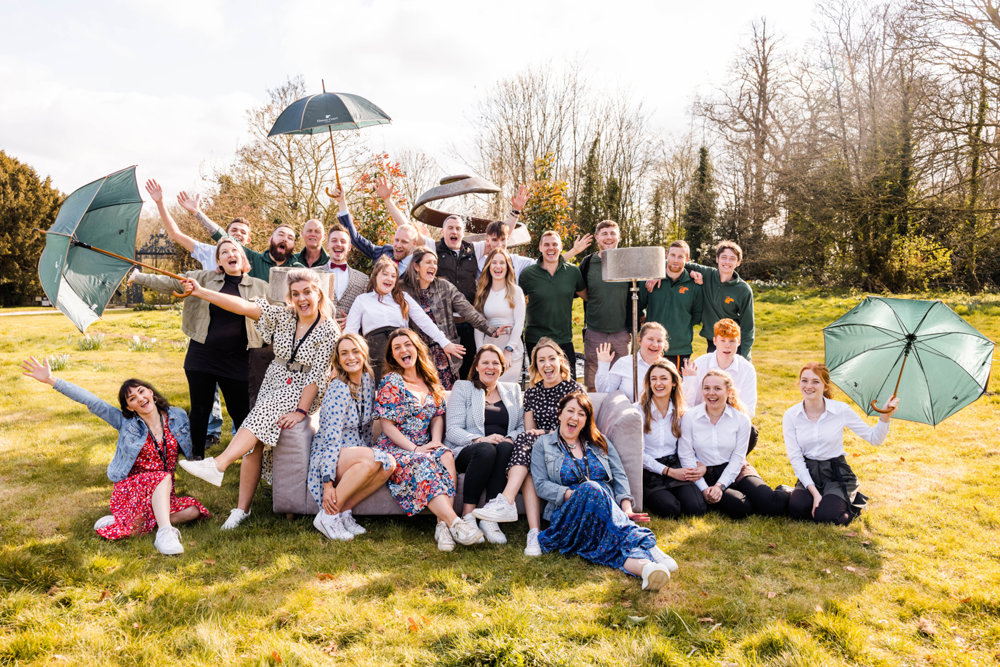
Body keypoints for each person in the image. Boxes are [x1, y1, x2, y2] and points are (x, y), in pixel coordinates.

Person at [176, 269, 340, 530]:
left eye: (307, 292)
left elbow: (317, 376)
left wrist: (300, 411)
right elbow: (242, 306)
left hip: (303, 387)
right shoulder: (284, 315)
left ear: (318, 293)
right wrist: (201, 291)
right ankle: (242, 509)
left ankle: (219, 464)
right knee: (254, 443)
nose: (302, 299)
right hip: (275, 380)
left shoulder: (329, 330)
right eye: (296, 294)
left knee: (259, 418)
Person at [21, 358, 209, 554]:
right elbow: (91, 401)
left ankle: (128, 520)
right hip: (133, 488)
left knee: (193, 511)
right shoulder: (125, 422)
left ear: (151, 392)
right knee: (163, 477)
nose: (140, 398)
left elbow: (194, 437)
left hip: (163, 490)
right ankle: (164, 533)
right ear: (129, 407)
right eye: (132, 398)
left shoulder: (176, 416)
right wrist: (51, 380)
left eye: (141, 391)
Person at [129, 238, 268, 459]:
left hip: (238, 359)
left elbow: (278, 313)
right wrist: (138, 277)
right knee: (200, 409)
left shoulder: (261, 287)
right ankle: (196, 457)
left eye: (234, 250)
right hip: (203, 355)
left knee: (240, 411)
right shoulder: (203, 279)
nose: (230, 254)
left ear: (243, 258)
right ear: (219, 261)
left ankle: (248, 457)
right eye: (224, 252)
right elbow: (170, 282)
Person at [531, 392, 676, 590]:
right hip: (569, 511)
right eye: (570, 411)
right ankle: (647, 544)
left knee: (606, 541)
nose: (575, 417)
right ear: (560, 414)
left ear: (586, 420)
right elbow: (540, 484)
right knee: (591, 488)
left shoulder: (600, 441)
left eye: (581, 414)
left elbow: (619, 475)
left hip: (606, 511)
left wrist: (626, 508)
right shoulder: (543, 445)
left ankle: (646, 569)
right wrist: (575, 494)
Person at [145, 178, 250, 442]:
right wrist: (160, 202)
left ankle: (240, 437)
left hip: (237, 337)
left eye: (242, 233)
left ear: (247, 241)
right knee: (205, 391)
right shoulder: (207, 251)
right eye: (233, 231)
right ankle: (210, 433)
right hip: (206, 331)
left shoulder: (247, 263)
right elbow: (175, 235)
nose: (237, 235)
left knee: (237, 392)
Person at [372, 328, 483, 550]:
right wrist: (414, 449)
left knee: (446, 455)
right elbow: (387, 425)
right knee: (424, 461)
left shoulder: (430, 380)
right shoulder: (392, 381)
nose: (403, 350)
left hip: (424, 444)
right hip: (397, 447)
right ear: (392, 355)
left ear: (417, 348)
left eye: (407, 345)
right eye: (397, 348)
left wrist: (436, 442)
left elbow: (437, 416)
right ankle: (456, 523)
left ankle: (442, 527)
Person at [446, 346, 543, 554]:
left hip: (501, 451)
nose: (490, 367)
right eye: (485, 363)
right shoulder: (463, 387)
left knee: (506, 447)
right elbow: (452, 429)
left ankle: (490, 518)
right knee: (487, 449)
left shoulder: (513, 390)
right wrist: (480, 439)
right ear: (476, 366)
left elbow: (520, 427)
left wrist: (509, 438)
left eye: (495, 363)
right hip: (468, 450)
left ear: (502, 367)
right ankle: (468, 515)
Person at [784, 363, 899, 525]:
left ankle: (855, 503)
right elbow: (795, 458)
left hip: (836, 473)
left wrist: (885, 417)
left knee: (825, 517)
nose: (808, 386)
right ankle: (819, 497)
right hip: (810, 471)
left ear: (825, 386)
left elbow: (874, 438)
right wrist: (815, 493)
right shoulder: (791, 415)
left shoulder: (840, 410)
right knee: (798, 510)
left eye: (815, 381)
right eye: (804, 380)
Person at [309, 334, 397, 540]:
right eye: (344, 353)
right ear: (338, 359)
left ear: (364, 353)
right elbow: (331, 439)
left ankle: (343, 513)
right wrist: (327, 483)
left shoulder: (368, 378)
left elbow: (366, 427)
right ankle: (327, 517)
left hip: (354, 450)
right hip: (330, 456)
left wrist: (368, 450)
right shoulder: (338, 389)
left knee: (389, 465)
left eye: (355, 351)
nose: (350, 357)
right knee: (372, 459)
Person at [677, 370, 788, 519]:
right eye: (706, 388)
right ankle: (734, 496)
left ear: (728, 392)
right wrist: (704, 488)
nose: (711, 393)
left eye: (717, 388)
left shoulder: (741, 419)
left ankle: (787, 490)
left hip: (736, 469)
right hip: (705, 472)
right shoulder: (690, 417)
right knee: (741, 507)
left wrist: (720, 486)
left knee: (771, 505)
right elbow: (686, 455)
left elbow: (738, 457)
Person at [400, 246, 507, 389]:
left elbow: (467, 310)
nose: (433, 266)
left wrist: (490, 329)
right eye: (428, 262)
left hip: (446, 353)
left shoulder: (444, 287)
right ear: (416, 266)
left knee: (449, 395)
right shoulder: (402, 289)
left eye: (435, 263)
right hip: (420, 354)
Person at [344, 256, 462, 381]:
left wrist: (445, 342)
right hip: (375, 354)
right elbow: (351, 330)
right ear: (375, 276)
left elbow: (424, 321)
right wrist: (342, 359)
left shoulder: (403, 298)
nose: (389, 278)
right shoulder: (362, 300)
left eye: (393, 276)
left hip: (402, 352)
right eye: (385, 274)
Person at [177, 190, 304, 281]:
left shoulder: (299, 266)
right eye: (281, 234)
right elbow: (222, 236)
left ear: (294, 244)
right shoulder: (254, 259)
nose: (285, 239)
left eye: (290, 238)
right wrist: (197, 212)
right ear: (270, 239)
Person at [636, 359, 707, 518]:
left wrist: (700, 465)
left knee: (696, 508)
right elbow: (638, 455)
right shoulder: (637, 411)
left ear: (674, 382)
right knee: (670, 509)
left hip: (675, 463)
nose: (658, 383)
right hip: (649, 469)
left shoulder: (681, 412)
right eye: (653, 379)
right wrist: (669, 472)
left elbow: (688, 447)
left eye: (663, 378)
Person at [330, 179, 432, 274]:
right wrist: (341, 201)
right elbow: (355, 238)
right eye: (396, 240)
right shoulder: (385, 252)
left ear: (414, 244)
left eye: (404, 242)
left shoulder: (420, 266)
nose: (398, 245)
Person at [510, 338, 585, 462]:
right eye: (541, 360)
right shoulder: (532, 393)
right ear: (536, 365)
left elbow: (579, 428)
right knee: (524, 439)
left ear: (560, 361)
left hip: (567, 442)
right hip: (539, 444)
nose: (547, 364)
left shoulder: (573, 390)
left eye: (552, 358)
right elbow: (530, 431)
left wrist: (546, 432)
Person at [519, 231, 587, 365]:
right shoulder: (528, 274)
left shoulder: (573, 272)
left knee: (569, 378)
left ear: (561, 247)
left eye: (555, 244)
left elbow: (587, 297)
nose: (551, 248)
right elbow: (517, 304)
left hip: (564, 339)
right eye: (546, 245)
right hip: (536, 340)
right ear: (540, 248)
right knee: (539, 377)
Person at [579, 220, 630, 391]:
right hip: (595, 332)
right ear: (597, 237)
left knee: (622, 380)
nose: (609, 237)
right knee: (593, 382)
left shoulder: (627, 261)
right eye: (604, 234)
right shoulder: (588, 263)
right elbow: (577, 287)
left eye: (612, 233)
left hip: (621, 333)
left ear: (619, 236)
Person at [686, 240, 755, 360]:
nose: (727, 262)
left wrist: (745, 358)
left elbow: (748, 327)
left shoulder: (744, 290)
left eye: (732, 258)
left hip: (733, 344)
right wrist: (691, 272)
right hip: (713, 342)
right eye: (724, 257)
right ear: (717, 259)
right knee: (713, 372)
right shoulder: (707, 274)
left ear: (738, 262)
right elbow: (677, 263)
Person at [641, 239, 703, 369]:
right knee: (649, 381)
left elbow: (697, 315)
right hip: (652, 347)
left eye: (680, 256)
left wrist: (680, 326)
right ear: (666, 255)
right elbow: (639, 306)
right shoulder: (651, 281)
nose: (675, 260)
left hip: (680, 349)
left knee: (677, 382)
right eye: (673, 255)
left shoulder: (694, 285)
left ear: (687, 259)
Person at [683, 318, 757, 417]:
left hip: (733, 420)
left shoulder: (747, 369)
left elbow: (749, 409)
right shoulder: (699, 364)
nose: (727, 346)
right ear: (714, 341)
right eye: (722, 340)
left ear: (739, 342)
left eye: (732, 341)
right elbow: (688, 403)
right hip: (702, 418)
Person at [472, 249, 525, 383]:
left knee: (507, 389)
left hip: (511, 350)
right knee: (488, 390)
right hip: (489, 349)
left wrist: (508, 350)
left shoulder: (516, 291)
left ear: (508, 267)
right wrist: (480, 351)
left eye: (502, 263)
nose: (498, 266)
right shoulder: (482, 292)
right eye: (494, 262)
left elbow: (519, 323)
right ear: (488, 266)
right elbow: (478, 326)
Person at [595, 321, 668, 401]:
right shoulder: (624, 363)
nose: (655, 345)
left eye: (659, 341)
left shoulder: (668, 367)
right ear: (639, 340)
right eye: (650, 339)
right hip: (629, 408)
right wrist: (603, 364)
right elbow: (604, 392)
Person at [324, 223, 368, 328]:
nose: (338, 244)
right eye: (334, 240)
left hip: (350, 334)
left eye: (343, 241)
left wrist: (354, 319)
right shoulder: (313, 274)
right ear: (327, 245)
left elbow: (368, 311)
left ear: (349, 247)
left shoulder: (363, 279)